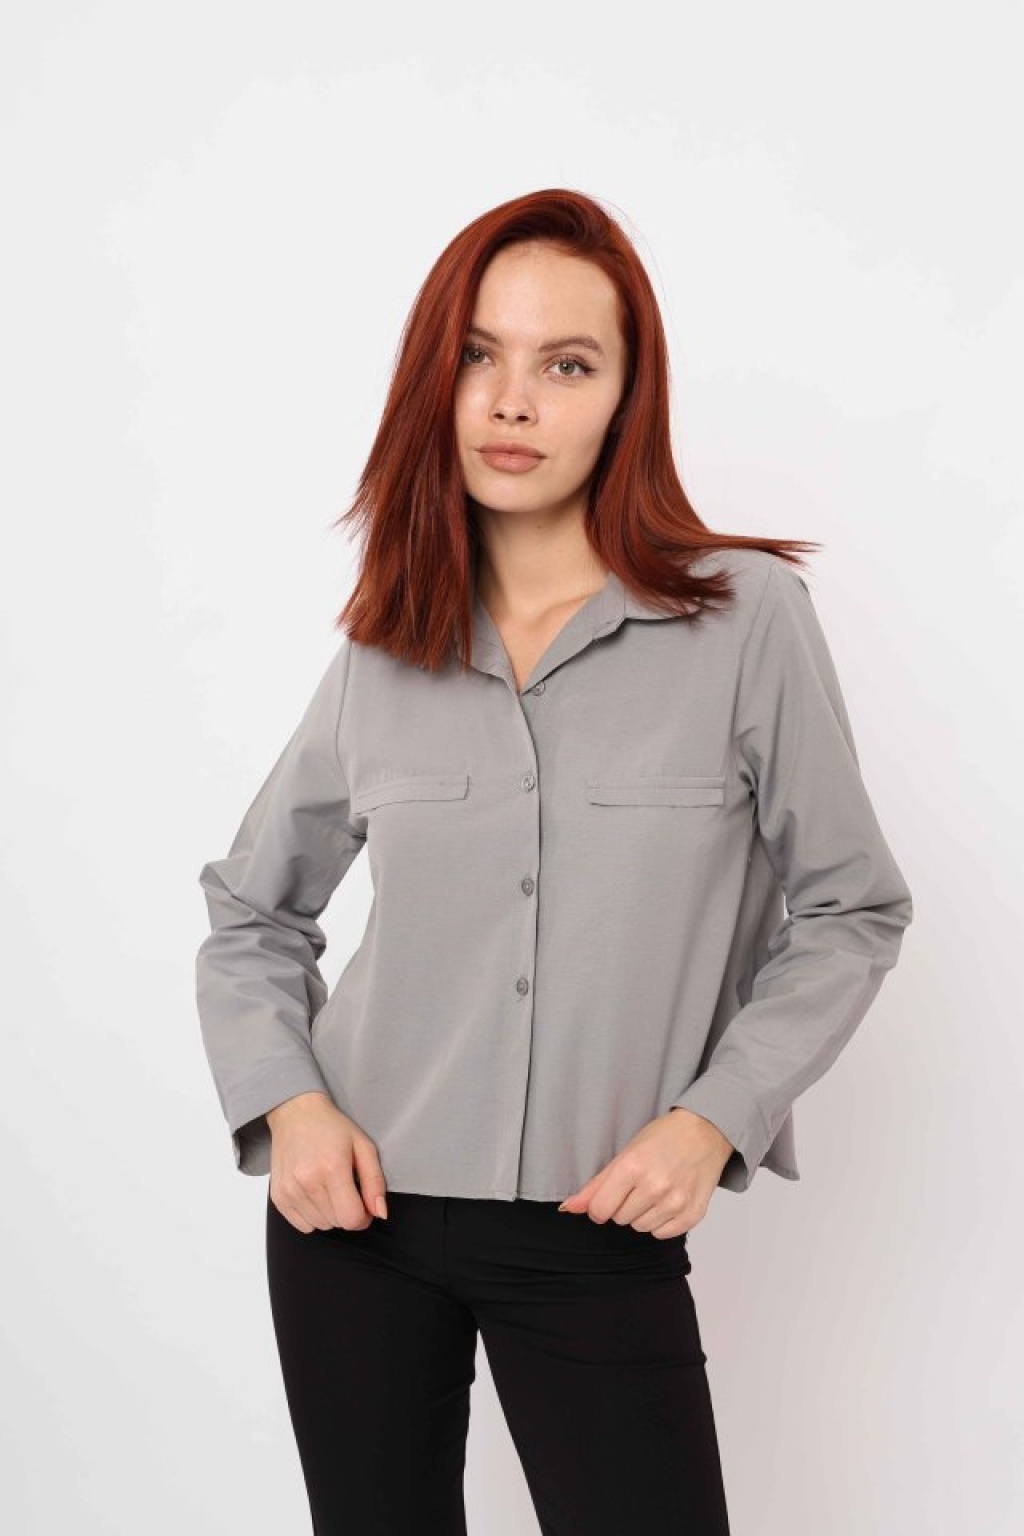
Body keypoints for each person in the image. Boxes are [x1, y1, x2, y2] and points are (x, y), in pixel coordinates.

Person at [195, 187, 914, 1535]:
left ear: (628, 397)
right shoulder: (386, 642)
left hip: (599, 1227)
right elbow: (252, 910)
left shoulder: (747, 621)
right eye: (479, 354)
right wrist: (289, 1106)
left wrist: (714, 1118)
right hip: (353, 1226)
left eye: (567, 364)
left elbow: (850, 907)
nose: (513, 401)